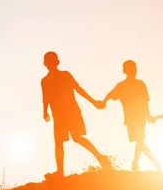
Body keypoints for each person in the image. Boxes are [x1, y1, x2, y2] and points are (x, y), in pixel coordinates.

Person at [41, 51, 111, 180]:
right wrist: (45, 111)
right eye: (48, 62)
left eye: (52, 61)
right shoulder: (44, 81)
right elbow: (45, 97)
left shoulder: (65, 75)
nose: (51, 64)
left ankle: (101, 158)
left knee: (77, 138)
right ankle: (60, 172)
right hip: (58, 116)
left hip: (72, 112)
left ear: (57, 62)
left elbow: (78, 89)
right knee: (58, 142)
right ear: (45, 64)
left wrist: (93, 101)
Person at [102, 60, 161, 171]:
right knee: (140, 141)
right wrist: (104, 101)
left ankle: (135, 163)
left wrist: (148, 115)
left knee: (140, 139)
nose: (134, 71)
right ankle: (155, 162)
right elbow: (111, 94)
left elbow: (145, 101)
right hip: (130, 118)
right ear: (124, 71)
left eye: (135, 68)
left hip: (140, 116)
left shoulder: (140, 84)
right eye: (131, 69)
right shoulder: (121, 85)